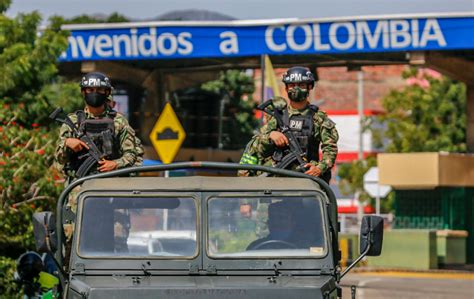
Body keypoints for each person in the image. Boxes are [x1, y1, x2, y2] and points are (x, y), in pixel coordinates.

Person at [239, 66, 338, 183]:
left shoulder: (318, 119)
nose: (296, 89)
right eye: (292, 85)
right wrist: (270, 135)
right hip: (276, 182)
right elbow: (254, 147)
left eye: (301, 85)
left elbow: (330, 149)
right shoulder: (277, 115)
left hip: (305, 180)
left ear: (309, 87)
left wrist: (319, 168)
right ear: (286, 88)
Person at [55, 71, 143, 181]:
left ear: (107, 92)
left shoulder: (118, 121)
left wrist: (115, 164)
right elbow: (59, 159)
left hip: (110, 184)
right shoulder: (73, 121)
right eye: (90, 90)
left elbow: (132, 154)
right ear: (83, 92)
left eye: (99, 90)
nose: (95, 93)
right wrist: (67, 144)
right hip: (79, 187)